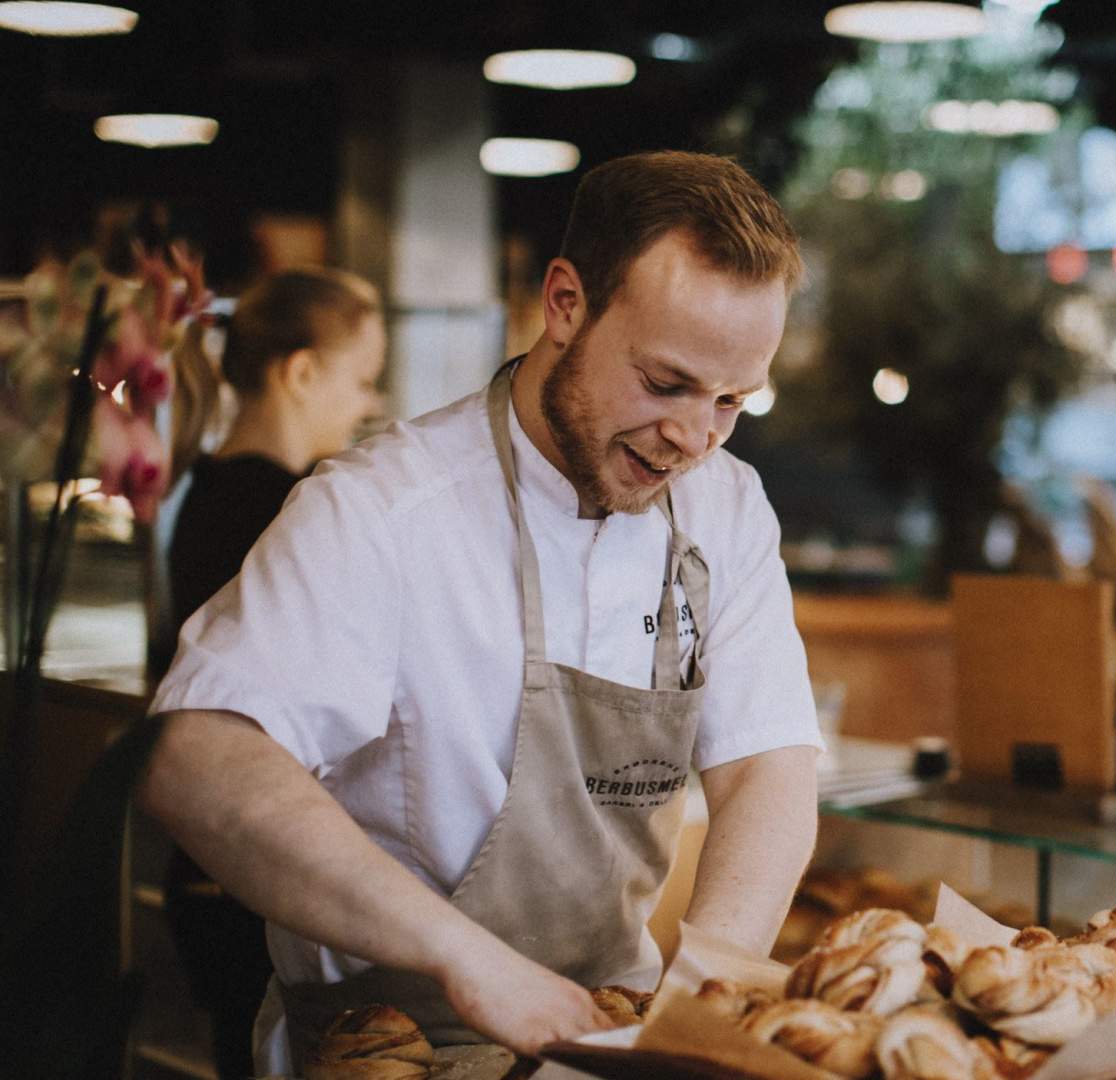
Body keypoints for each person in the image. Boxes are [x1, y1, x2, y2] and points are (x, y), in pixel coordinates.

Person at [136, 151, 822, 1071]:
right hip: (385, 1046)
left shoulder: (725, 512)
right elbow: (196, 758)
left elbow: (766, 769)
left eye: (732, 401)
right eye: (665, 384)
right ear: (566, 304)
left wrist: (697, 1002)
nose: (695, 439)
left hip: (606, 1043)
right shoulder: (381, 509)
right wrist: (466, 960)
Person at [156, 266, 387, 1080]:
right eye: (361, 380)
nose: (365, 405)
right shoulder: (286, 517)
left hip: (207, 873)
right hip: (253, 874)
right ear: (299, 371)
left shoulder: (205, 490)